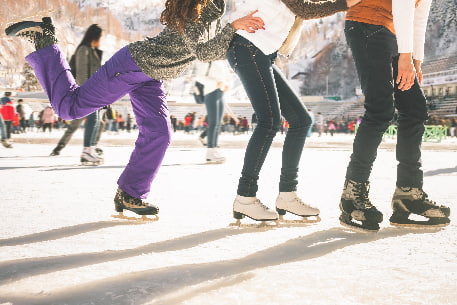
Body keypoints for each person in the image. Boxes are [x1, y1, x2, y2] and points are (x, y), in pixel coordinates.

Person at [5, 0, 265, 219]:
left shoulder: (213, 5)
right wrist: (234, 27)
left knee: (159, 134)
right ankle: (44, 38)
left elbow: (207, 47)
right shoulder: (200, 5)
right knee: (69, 108)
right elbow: (205, 51)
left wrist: (234, 30)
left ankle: (130, 194)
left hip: (152, 75)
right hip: (133, 65)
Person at [227, 0, 359, 223]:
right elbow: (305, 8)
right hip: (248, 46)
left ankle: (287, 195)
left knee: (301, 120)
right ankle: (245, 197)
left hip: (262, 53)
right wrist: (346, 3)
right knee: (269, 121)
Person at [339, 0, 451, 232]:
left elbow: (418, 15)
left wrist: (415, 59)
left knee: (415, 109)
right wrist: (405, 56)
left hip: (393, 32)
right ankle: (352, 194)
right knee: (380, 110)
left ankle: (408, 194)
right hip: (366, 24)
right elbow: (403, 3)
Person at [50, 24, 104, 166]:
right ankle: (86, 151)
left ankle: (90, 149)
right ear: (95, 36)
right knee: (92, 120)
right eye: (100, 37)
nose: (101, 39)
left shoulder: (92, 51)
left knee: (97, 121)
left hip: (95, 92)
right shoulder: (83, 50)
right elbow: (81, 74)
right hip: (87, 92)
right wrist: (87, 93)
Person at [195, 60, 232, 162]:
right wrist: (216, 83)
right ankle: (210, 152)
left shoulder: (221, 61)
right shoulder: (206, 60)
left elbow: (228, 76)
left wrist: (228, 83)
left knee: (217, 124)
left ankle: (214, 149)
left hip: (221, 93)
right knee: (213, 123)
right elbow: (199, 77)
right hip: (211, 92)